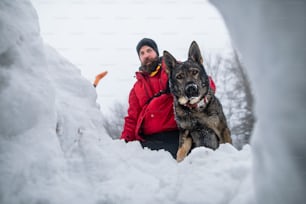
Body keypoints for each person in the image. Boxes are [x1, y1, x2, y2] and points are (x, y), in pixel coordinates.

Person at [120, 38, 216, 159]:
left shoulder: (175, 71)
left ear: (156, 52)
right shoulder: (136, 88)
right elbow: (132, 119)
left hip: (177, 134)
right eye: (142, 53)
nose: (146, 55)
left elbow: (206, 83)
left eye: (149, 50)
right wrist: (123, 144)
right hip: (149, 140)